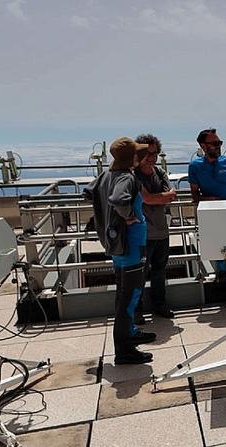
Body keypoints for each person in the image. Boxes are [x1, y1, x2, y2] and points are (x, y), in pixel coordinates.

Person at [84, 137, 156, 365]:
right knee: (130, 295)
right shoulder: (126, 177)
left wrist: (105, 216)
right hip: (131, 245)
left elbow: (89, 192)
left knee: (123, 293)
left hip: (117, 245)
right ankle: (124, 349)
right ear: (132, 158)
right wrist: (129, 217)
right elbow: (118, 199)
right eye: (139, 154)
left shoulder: (106, 175)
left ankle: (130, 332)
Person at [188, 129, 226, 284]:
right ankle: (222, 279)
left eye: (219, 143)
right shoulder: (195, 166)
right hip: (211, 215)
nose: (218, 146)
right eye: (214, 143)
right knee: (217, 248)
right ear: (203, 145)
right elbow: (195, 194)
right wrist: (210, 200)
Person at [135, 134, 177, 319]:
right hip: (142, 234)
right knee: (139, 274)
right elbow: (148, 198)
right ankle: (136, 310)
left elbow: (172, 194)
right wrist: (160, 197)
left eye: (155, 154)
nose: (152, 158)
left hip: (161, 232)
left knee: (160, 272)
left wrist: (157, 198)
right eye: (148, 153)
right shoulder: (133, 176)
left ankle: (160, 305)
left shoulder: (159, 173)